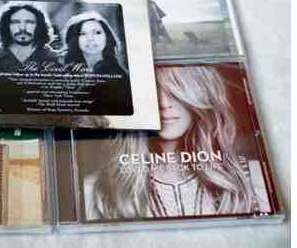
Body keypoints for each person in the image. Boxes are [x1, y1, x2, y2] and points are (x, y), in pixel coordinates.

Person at [84, 65, 272, 219]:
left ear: (199, 96)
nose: (164, 103)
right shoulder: (95, 189)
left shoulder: (252, 176)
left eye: (175, 91)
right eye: (153, 92)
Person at [61, 11, 132, 115]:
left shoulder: (113, 73)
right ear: (75, 39)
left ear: (107, 37)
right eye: (82, 33)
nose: (90, 38)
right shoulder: (75, 73)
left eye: (97, 32)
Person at [0, 3, 59, 74]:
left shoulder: (57, 60)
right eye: (15, 22)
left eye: (29, 22)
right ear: (6, 26)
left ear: (40, 26)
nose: (22, 28)